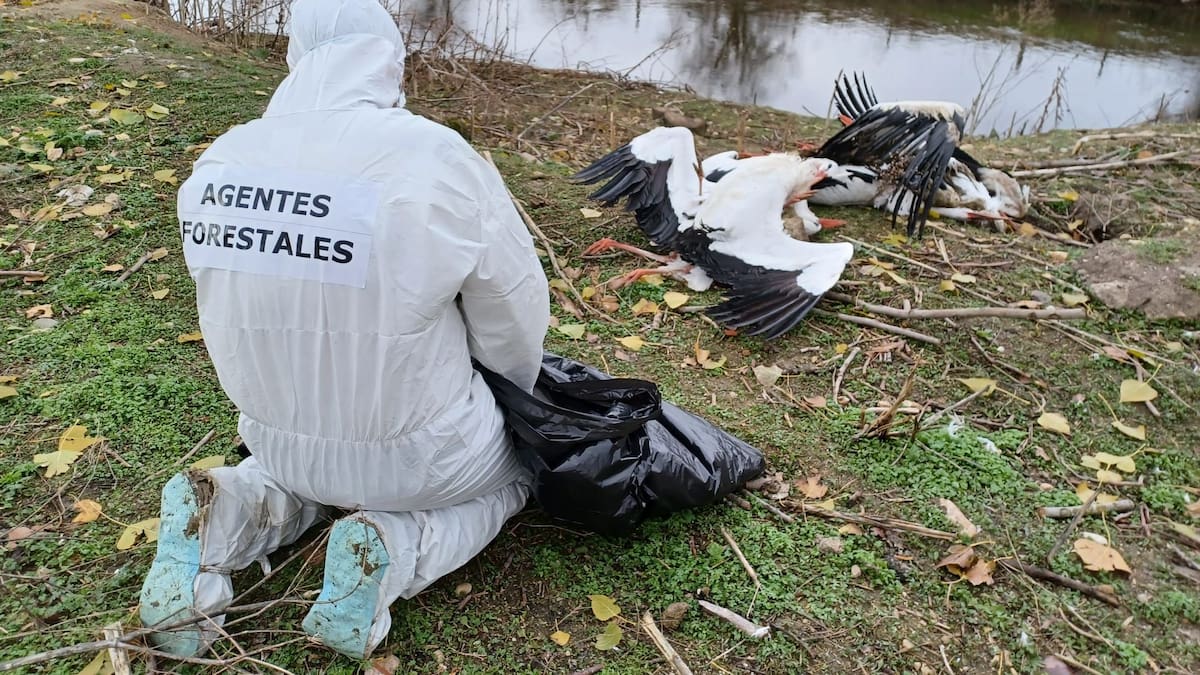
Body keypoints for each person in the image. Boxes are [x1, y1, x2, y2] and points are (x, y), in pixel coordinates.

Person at [138, 0, 549, 660]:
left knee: (304, 476)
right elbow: (512, 312)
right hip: (421, 455)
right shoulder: (435, 156)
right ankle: (391, 549)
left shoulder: (221, 162)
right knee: (518, 473)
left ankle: (219, 514)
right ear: (389, 62)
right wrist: (514, 399)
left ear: (296, 58)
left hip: (276, 439)